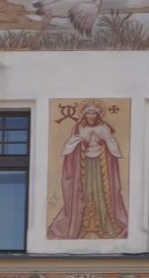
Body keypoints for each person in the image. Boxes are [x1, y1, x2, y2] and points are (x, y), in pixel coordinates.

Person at [50, 101, 128, 238]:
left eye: (93, 113)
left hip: (101, 166)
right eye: (88, 113)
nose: (91, 115)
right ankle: (80, 225)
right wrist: (81, 143)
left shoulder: (104, 128)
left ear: (98, 114)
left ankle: (104, 225)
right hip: (83, 166)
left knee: (101, 192)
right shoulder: (79, 127)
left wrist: (103, 143)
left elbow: (113, 147)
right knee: (84, 193)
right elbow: (69, 146)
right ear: (84, 115)